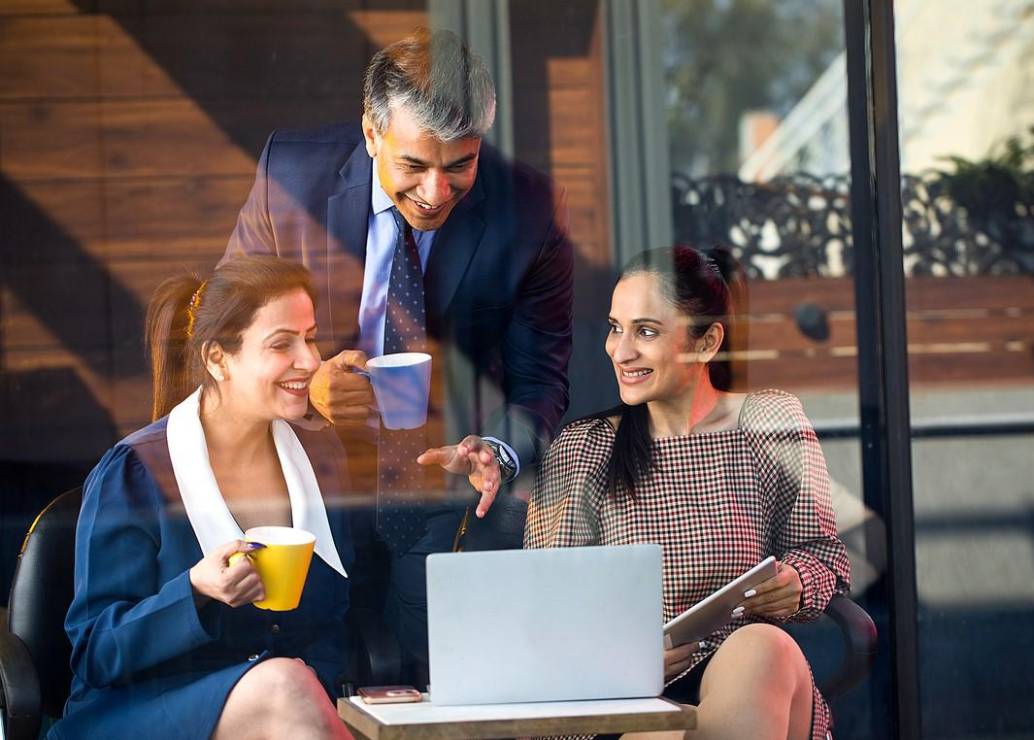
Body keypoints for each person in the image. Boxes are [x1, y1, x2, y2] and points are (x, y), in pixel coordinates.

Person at [223, 28, 573, 669]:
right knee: (316, 680)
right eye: (413, 165)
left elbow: (540, 380)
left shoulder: (529, 210)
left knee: (450, 681)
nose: (436, 192)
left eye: (460, 165)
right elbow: (226, 339)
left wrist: (497, 451)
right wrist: (304, 388)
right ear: (370, 133)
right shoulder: (291, 175)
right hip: (305, 486)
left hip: (448, 495)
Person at [526, 246, 851, 740]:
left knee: (762, 646)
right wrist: (626, 664)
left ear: (707, 342)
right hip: (627, 695)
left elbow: (825, 554)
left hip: (749, 677)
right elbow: (545, 617)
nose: (620, 350)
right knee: (660, 732)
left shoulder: (770, 423)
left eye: (646, 331)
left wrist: (797, 583)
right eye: (616, 327)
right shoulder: (583, 449)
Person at [51, 256, 353, 740]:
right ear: (217, 359)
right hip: (141, 711)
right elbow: (95, 652)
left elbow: (341, 617)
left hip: (297, 711)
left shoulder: (321, 454)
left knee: (292, 687)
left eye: (311, 337)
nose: (311, 361)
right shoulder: (134, 473)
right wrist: (193, 590)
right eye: (282, 344)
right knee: (282, 685)